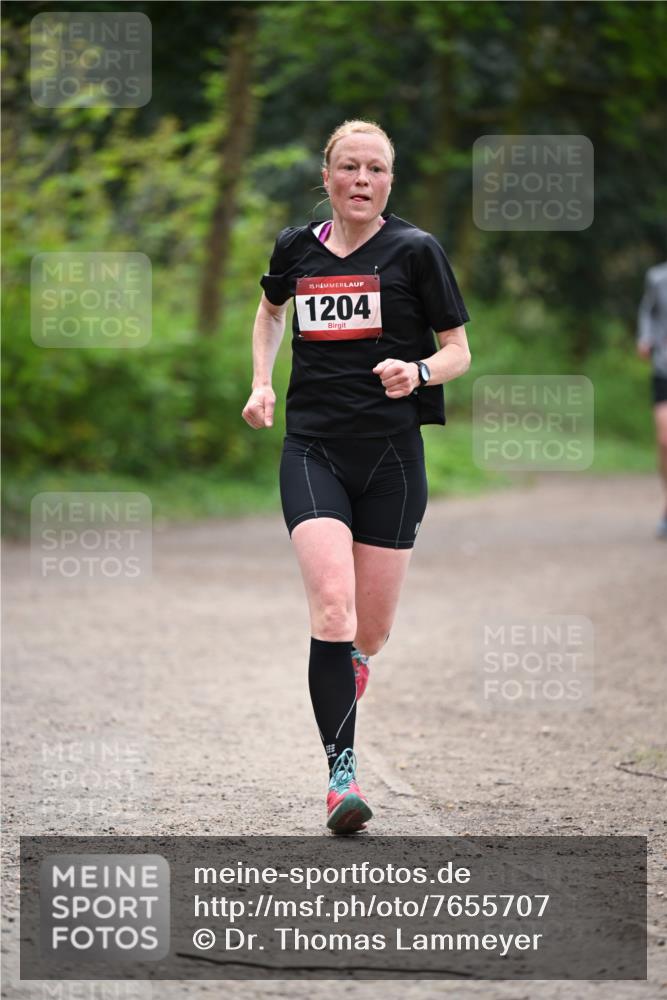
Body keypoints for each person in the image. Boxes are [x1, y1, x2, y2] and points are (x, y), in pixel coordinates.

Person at [242, 120, 471, 833]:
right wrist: (260, 383)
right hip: (311, 449)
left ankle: (356, 662)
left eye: (375, 168)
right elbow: (269, 310)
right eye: (349, 167)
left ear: (389, 181)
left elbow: (458, 348)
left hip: (391, 459)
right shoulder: (294, 248)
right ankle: (341, 779)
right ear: (327, 177)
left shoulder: (415, 251)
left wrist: (421, 370)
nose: (361, 179)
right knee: (332, 611)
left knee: (369, 629)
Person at [636, 261, 667, 539]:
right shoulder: (657, 276)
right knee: (664, 440)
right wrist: (645, 339)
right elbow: (649, 311)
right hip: (664, 368)